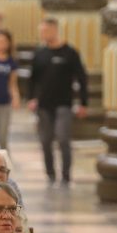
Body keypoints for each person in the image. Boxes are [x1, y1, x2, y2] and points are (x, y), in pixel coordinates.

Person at [30, 17, 88, 186]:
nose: (43, 34)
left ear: (55, 30)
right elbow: (33, 79)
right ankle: (50, 173)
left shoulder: (70, 53)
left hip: (64, 104)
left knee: (63, 139)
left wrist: (83, 103)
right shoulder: (40, 54)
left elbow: (82, 78)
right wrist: (32, 98)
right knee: (45, 141)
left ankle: (66, 175)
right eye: (41, 31)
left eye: (45, 31)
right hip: (44, 105)